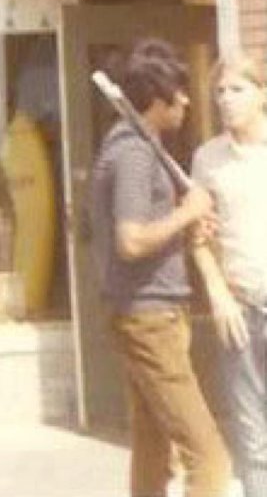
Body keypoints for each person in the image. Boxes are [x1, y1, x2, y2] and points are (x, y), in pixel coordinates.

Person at [90, 38, 231, 497]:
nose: (188, 100)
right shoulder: (131, 152)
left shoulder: (139, 147)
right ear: (156, 97)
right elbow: (130, 240)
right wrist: (188, 212)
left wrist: (188, 224)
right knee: (208, 456)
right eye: (180, 91)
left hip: (150, 313)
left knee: (153, 447)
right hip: (148, 318)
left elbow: (151, 231)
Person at [191, 52, 267, 497]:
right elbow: (199, 238)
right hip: (239, 306)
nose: (225, 99)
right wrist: (217, 293)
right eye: (219, 91)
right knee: (252, 432)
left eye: (237, 89)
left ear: (262, 95)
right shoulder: (208, 158)